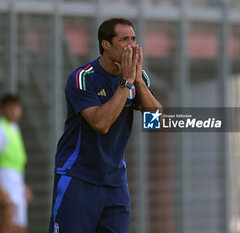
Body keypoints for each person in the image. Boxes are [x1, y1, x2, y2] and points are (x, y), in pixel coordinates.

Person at [48, 18, 162, 233]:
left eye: (134, 39)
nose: (132, 46)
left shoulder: (139, 78)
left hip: (115, 183)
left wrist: (137, 81)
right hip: (79, 177)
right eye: (124, 40)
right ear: (106, 45)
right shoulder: (83, 77)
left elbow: (155, 120)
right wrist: (126, 82)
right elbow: (101, 123)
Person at [0, 94, 32, 233]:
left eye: (17, 107)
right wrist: (1, 189)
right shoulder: (1, 129)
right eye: (11, 108)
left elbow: (17, 162)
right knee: (7, 226)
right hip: (5, 181)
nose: (14, 111)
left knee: (20, 228)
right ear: (3, 109)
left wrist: (23, 186)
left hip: (17, 182)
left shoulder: (15, 129)